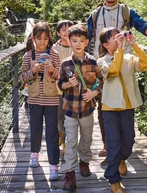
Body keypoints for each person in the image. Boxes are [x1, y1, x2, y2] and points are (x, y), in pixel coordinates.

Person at [86, 0, 147, 158]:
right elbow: (86, 37)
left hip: (124, 61)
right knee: (104, 105)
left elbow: (143, 26)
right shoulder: (94, 15)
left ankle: (122, 147)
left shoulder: (126, 12)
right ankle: (108, 145)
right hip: (101, 64)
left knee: (124, 102)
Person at [97, 27, 147, 193]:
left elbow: (145, 64)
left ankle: (121, 158)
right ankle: (113, 180)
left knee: (128, 141)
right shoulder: (102, 61)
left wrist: (134, 45)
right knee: (113, 144)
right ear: (106, 44)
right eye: (114, 37)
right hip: (110, 108)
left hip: (127, 107)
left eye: (119, 35)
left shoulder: (128, 58)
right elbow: (112, 71)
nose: (118, 38)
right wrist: (120, 50)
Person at [58, 24, 103, 190]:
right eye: (74, 40)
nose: (78, 44)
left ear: (87, 42)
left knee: (86, 138)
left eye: (81, 41)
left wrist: (94, 93)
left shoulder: (93, 62)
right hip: (70, 110)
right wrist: (67, 84)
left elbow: (101, 81)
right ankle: (69, 174)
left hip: (87, 109)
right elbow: (60, 84)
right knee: (70, 141)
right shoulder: (65, 64)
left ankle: (84, 161)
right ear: (69, 42)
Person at [21, 21, 61, 181]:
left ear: (49, 39)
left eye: (45, 38)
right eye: (39, 38)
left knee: (52, 132)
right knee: (35, 129)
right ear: (33, 38)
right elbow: (23, 77)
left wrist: (52, 69)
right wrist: (34, 70)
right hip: (34, 99)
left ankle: (53, 165)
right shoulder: (27, 56)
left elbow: (60, 76)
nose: (42, 41)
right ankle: (34, 154)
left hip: (52, 100)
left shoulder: (54, 55)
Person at [52, 20, 74, 155]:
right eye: (63, 30)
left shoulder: (77, 45)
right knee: (59, 117)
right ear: (58, 33)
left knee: (70, 117)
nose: (66, 32)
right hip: (58, 89)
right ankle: (60, 135)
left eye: (69, 29)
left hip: (73, 88)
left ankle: (65, 142)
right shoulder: (54, 49)